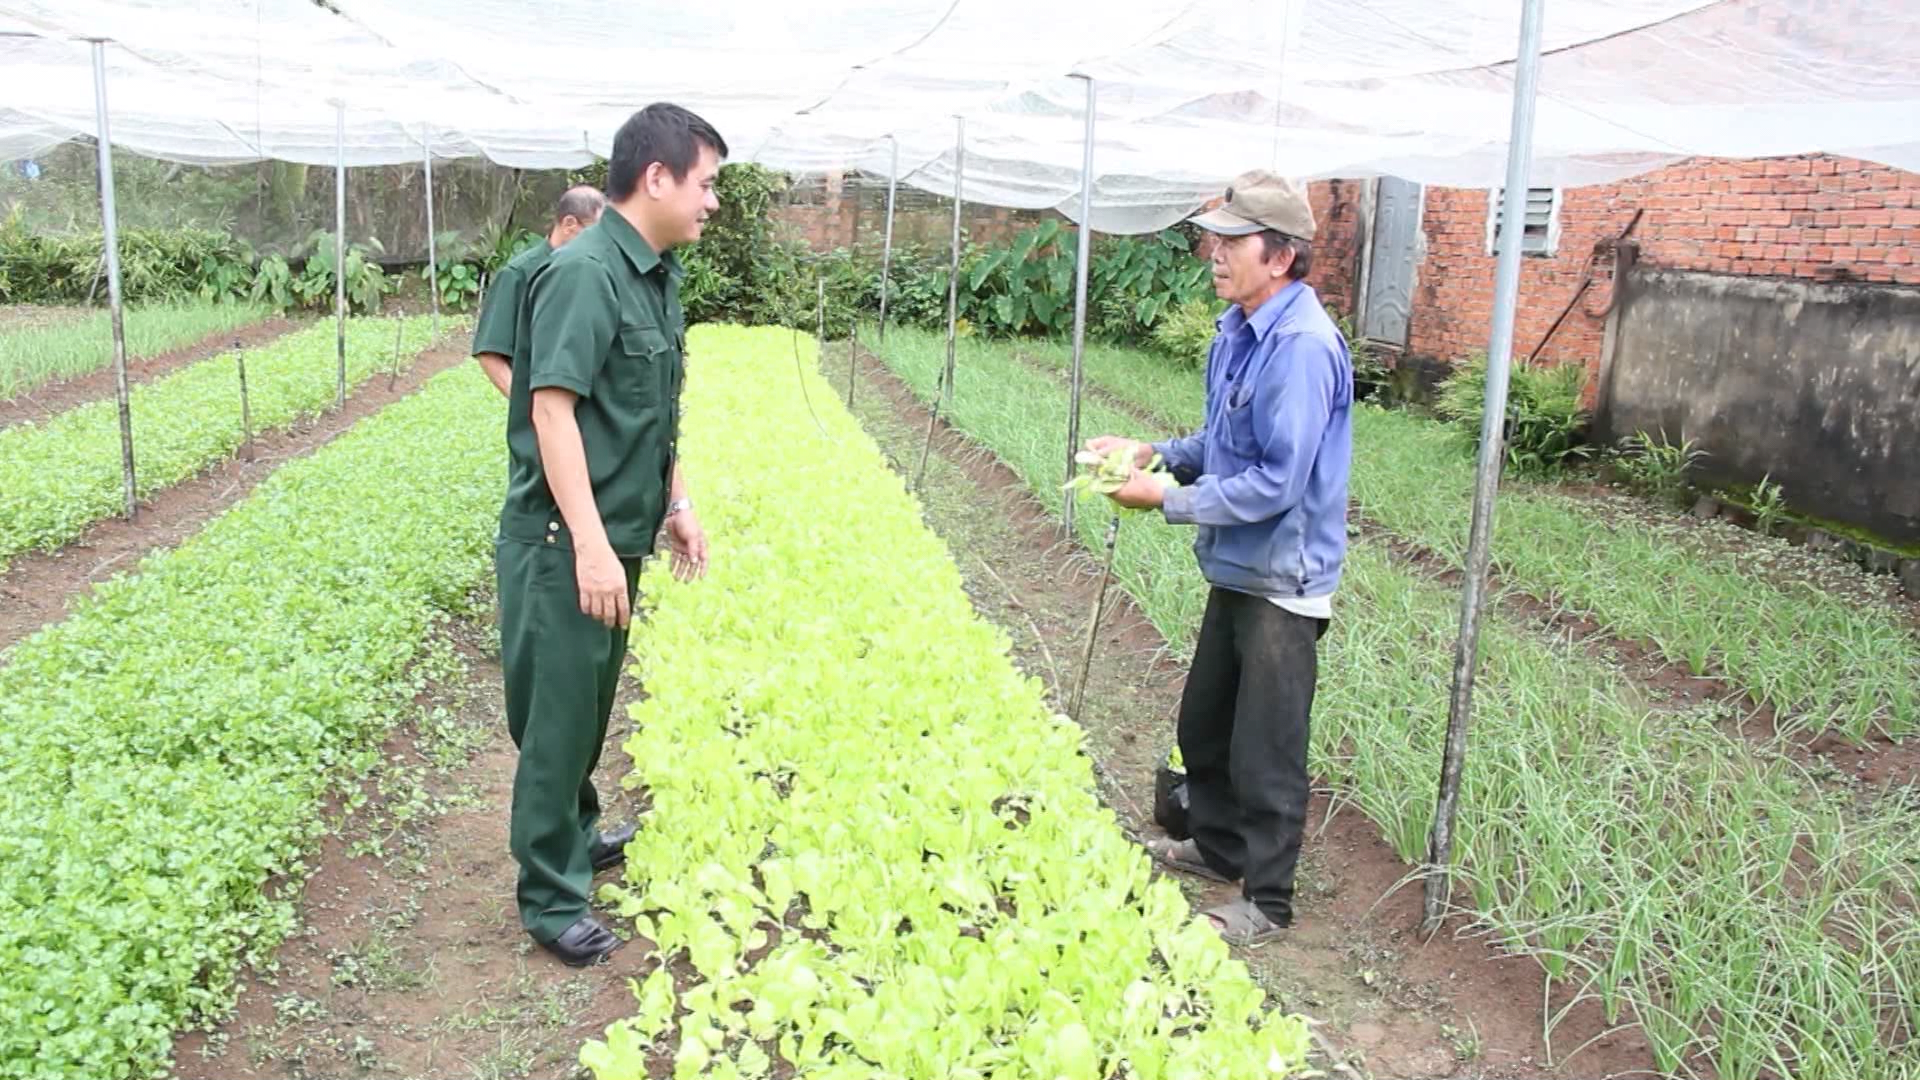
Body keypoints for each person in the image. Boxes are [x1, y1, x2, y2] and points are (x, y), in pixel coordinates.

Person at [1087, 169, 1353, 946]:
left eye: (1233, 240)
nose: (1214, 251)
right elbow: (1225, 443)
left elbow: (1277, 482)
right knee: (1206, 726)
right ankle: (1218, 847)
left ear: (1280, 257)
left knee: (1267, 746)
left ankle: (1268, 901)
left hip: (1283, 575)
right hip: (1239, 564)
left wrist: (1162, 499)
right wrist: (1154, 452)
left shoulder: (1301, 348)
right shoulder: (1241, 330)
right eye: (1215, 237)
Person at [495, 103, 723, 966]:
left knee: (587, 708)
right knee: (557, 718)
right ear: (656, 177)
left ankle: (577, 832)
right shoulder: (585, 272)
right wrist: (589, 543)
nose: (710, 204)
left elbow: (645, 414)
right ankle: (551, 901)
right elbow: (552, 410)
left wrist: (675, 504)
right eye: (705, 185)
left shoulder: (653, 275)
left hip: (614, 531)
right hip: (562, 541)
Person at [470, 185, 606, 397]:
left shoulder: (596, 272)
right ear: (569, 223)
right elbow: (490, 353)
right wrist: (528, 407)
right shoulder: (518, 275)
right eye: (595, 232)